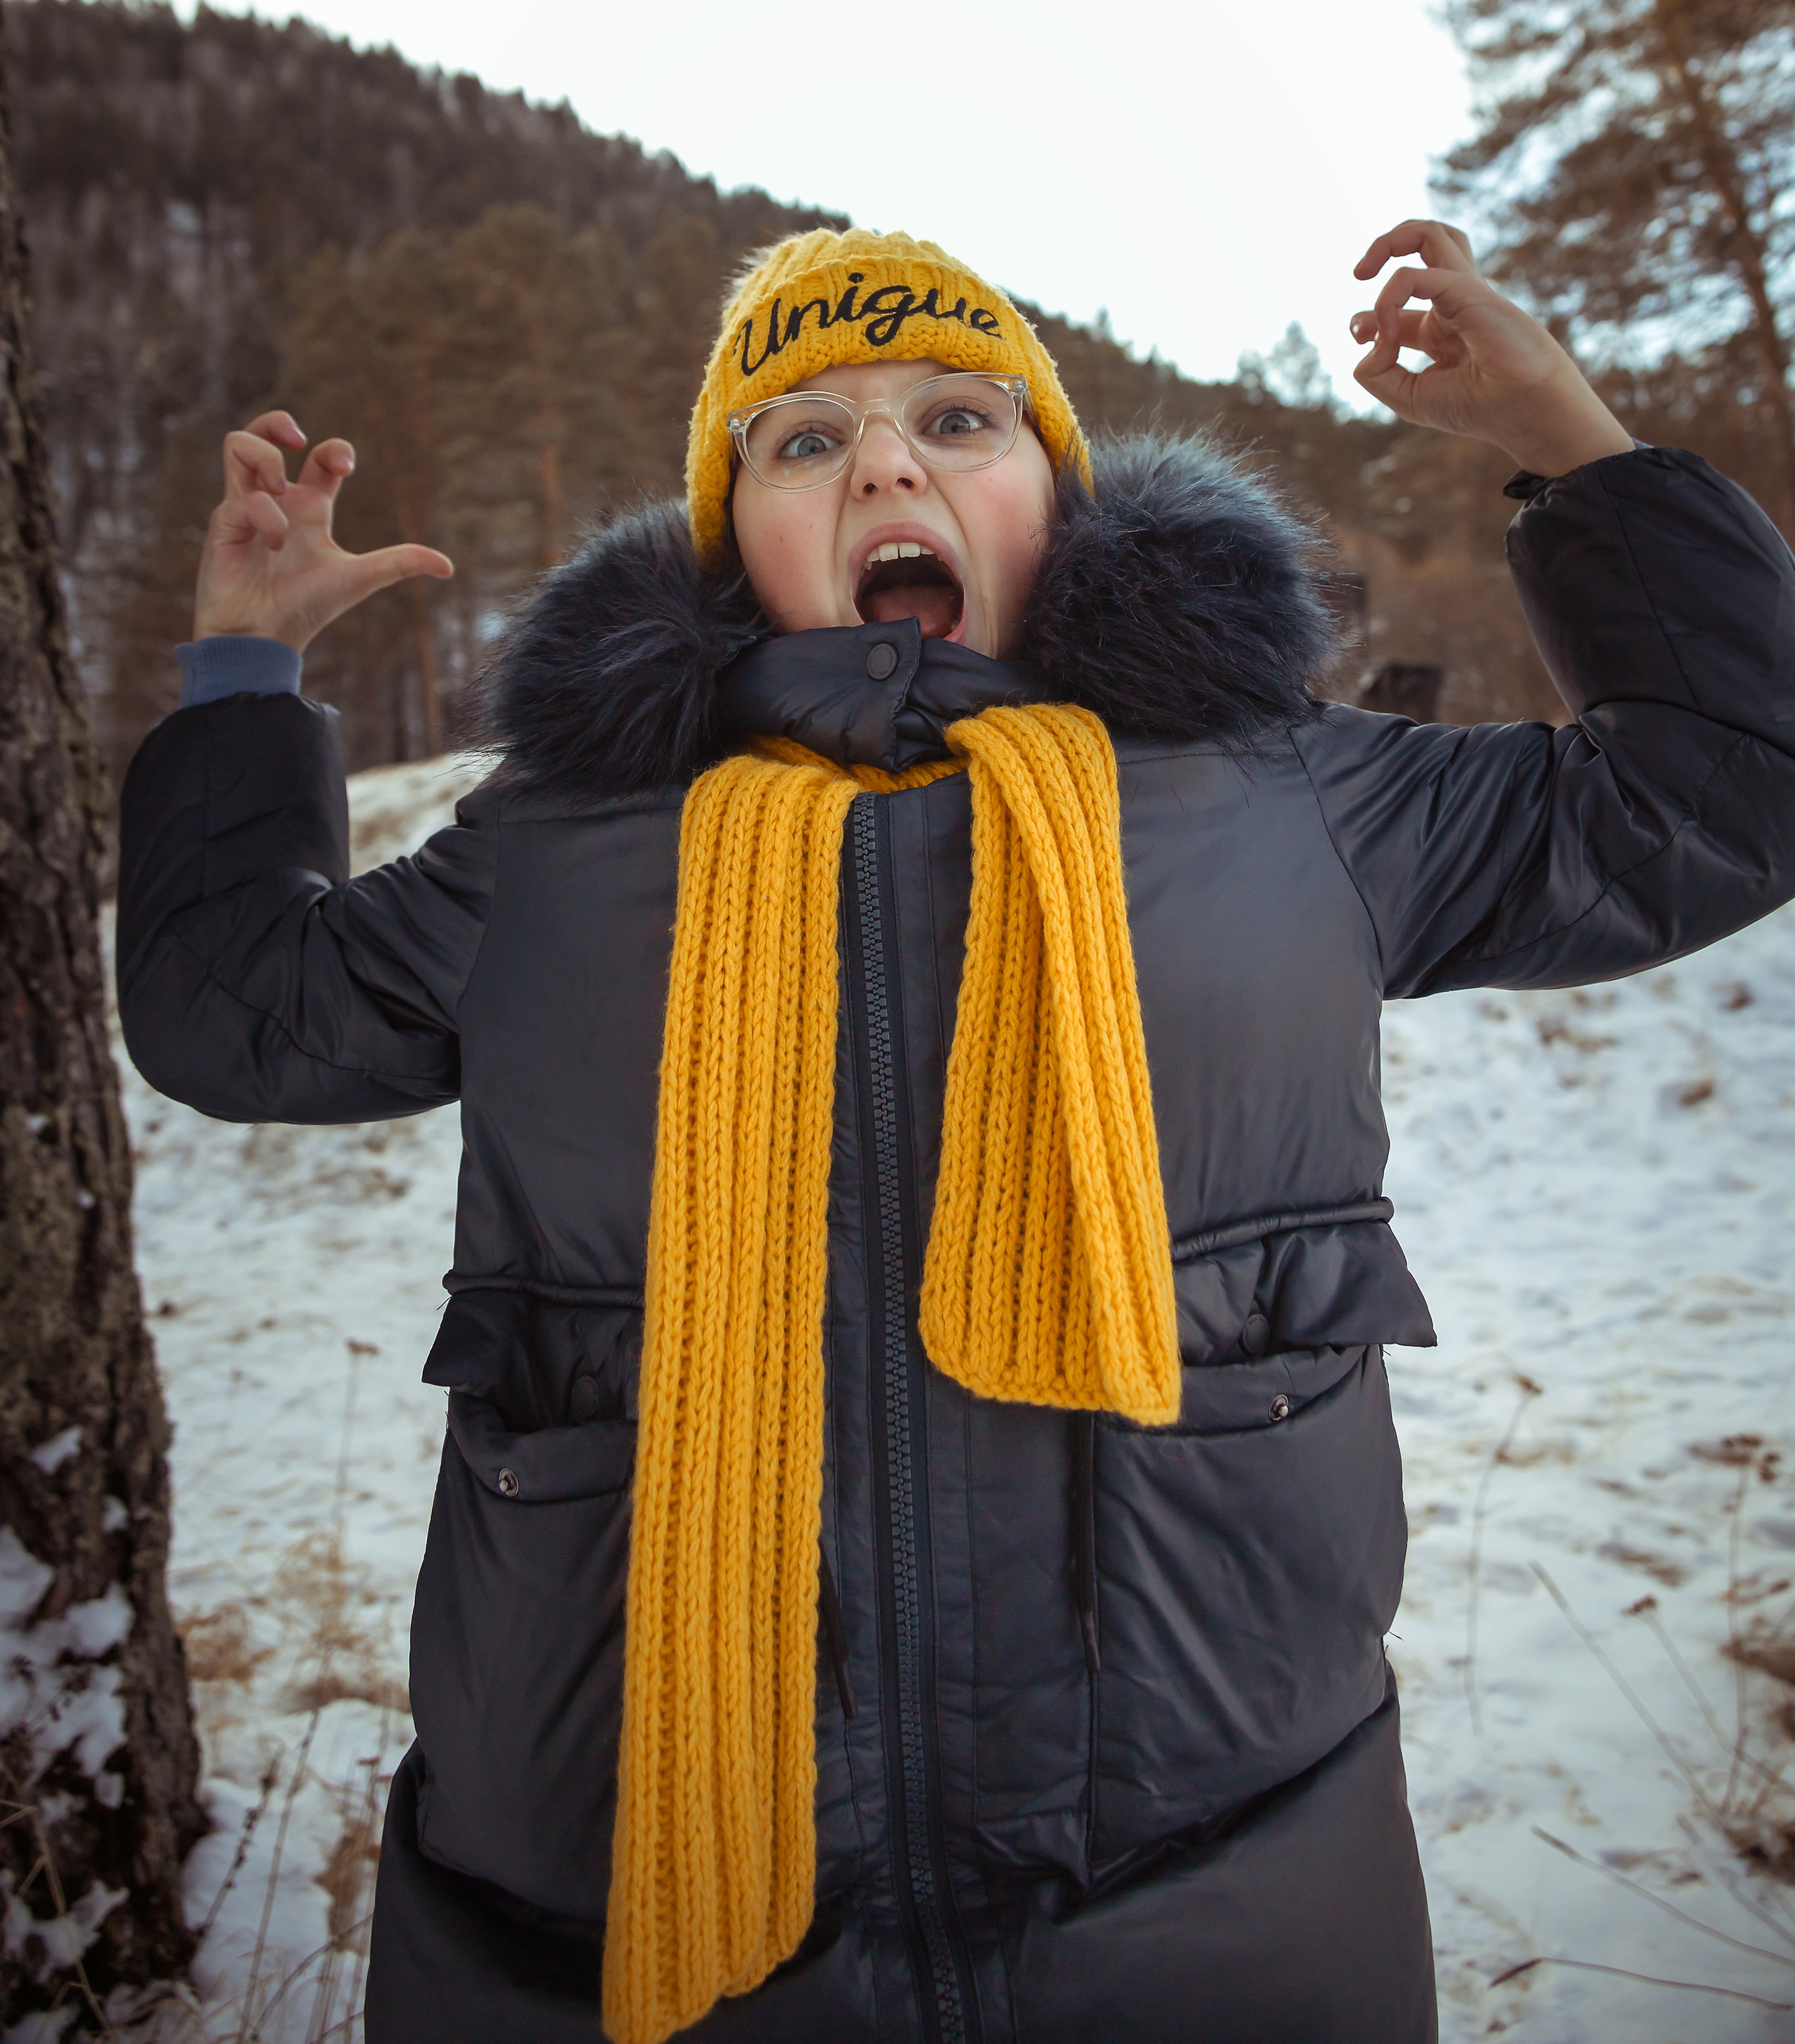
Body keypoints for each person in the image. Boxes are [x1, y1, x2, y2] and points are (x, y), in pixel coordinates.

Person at [118, 219, 1795, 2044]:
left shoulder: (1292, 790)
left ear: (1057, 503)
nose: (889, 462)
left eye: (960, 419)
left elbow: (1729, 790)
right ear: (734, 541)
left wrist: (1575, 439)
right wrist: (238, 677)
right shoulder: (562, 850)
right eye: (805, 439)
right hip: (624, 1903)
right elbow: (238, 1011)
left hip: (1223, 1899)